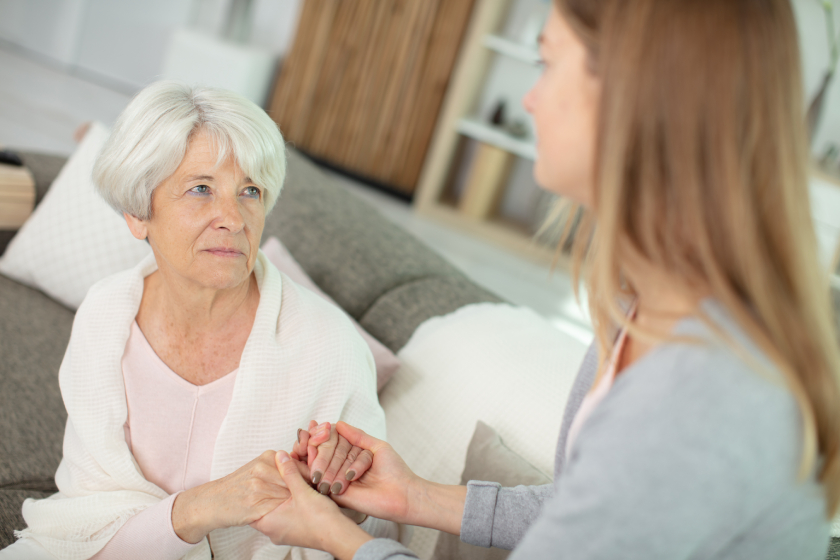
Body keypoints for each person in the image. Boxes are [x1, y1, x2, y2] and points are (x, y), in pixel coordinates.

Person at [249, 0, 840, 558]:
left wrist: (336, 538)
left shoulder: (699, 394)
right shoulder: (643, 305)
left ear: (632, 98)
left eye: (547, 62)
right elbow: (585, 504)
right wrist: (415, 497)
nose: (529, 99)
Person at [4, 81, 396, 560]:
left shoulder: (330, 345)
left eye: (250, 190)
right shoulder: (105, 317)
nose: (233, 217)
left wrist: (346, 500)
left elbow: (378, 531)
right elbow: (83, 520)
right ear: (137, 213)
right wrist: (198, 509)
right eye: (201, 189)